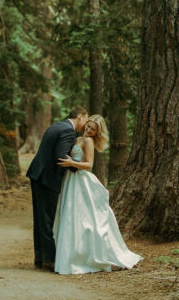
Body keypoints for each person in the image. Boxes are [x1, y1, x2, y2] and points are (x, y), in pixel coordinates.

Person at [53, 114, 142, 275]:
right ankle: (69, 254)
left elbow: (89, 164)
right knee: (70, 216)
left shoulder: (88, 141)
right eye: (88, 126)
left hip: (80, 180)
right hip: (70, 180)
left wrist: (71, 163)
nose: (88, 130)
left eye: (92, 130)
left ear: (96, 133)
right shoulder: (77, 137)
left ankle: (83, 256)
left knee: (83, 217)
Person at [26, 107, 88, 270]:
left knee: (40, 219)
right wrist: (76, 169)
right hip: (48, 179)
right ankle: (49, 260)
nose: (85, 126)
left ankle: (40, 257)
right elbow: (60, 157)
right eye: (86, 121)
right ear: (80, 117)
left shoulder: (57, 126)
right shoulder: (69, 131)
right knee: (47, 219)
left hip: (37, 174)